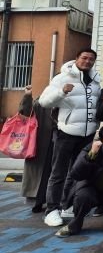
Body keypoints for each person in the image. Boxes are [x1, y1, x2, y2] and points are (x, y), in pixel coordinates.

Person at [39, 48, 101, 228]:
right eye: (84, 58)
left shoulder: (96, 80)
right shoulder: (62, 78)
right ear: (76, 58)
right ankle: (51, 210)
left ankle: (67, 205)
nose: (87, 61)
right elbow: (43, 102)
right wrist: (62, 92)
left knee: (78, 172)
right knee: (58, 173)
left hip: (88, 134)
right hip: (66, 133)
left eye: (91, 59)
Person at [54, 120, 103, 238]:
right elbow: (76, 173)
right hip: (92, 188)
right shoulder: (92, 147)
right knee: (83, 196)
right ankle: (74, 225)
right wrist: (91, 155)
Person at [19, 86, 56, 214]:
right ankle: (37, 203)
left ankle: (54, 202)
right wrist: (27, 96)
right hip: (40, 144)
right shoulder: (42, 101)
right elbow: (25, 112)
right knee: (40, 174)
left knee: (55, 174)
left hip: (60, 142)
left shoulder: (67, 101)